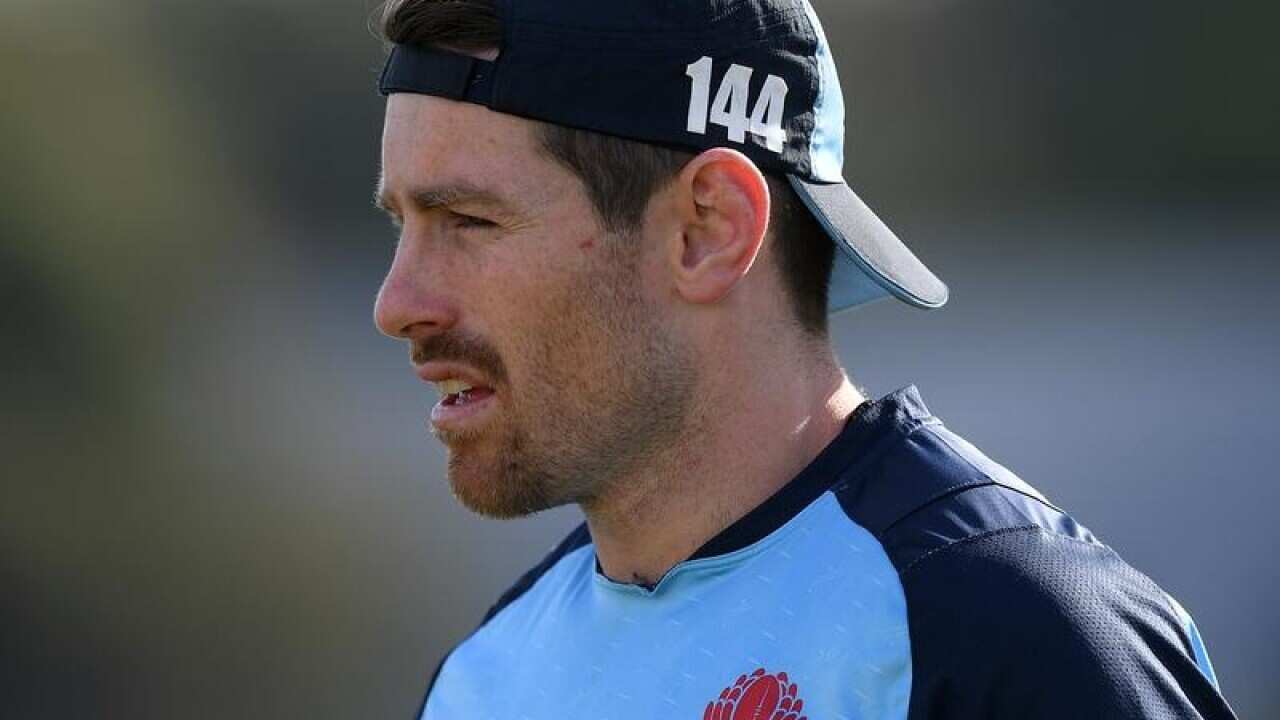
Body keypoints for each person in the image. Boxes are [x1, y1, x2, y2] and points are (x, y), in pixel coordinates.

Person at [370, 1, 1237, 718]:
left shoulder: (1010, 633)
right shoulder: (485, 680)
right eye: (400, 224)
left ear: (709, 229)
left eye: (468, 222)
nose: (397, 304)